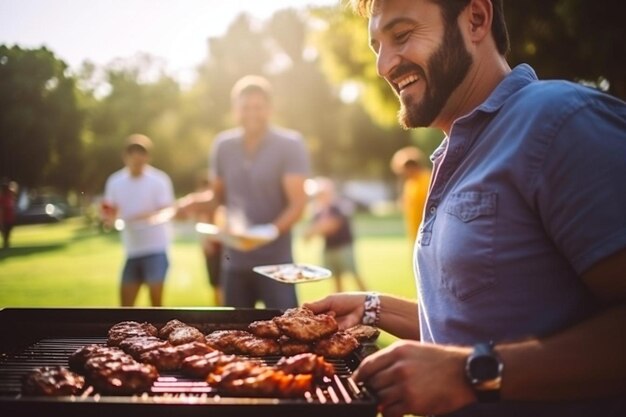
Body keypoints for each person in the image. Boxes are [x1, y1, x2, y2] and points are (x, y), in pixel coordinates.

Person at [306, 1, 626, 417]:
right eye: (376, 46)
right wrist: (374, 307)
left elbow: (470, 361)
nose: (384, 65)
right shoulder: (454, 155)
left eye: (401, 36)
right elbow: (479, 323)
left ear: (476, 19)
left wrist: (470, 375)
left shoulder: (562, 121)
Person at [182, 75, 310, 309]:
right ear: (235, 110)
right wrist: (188, 204)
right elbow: (216, 198)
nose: (252, 113)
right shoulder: (223, 145)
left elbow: (298, 204)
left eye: (258, 107)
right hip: (235, 263)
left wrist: (269, 230)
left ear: (270, 109)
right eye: (245, 107)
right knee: (234, 337)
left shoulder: (290, 144)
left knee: (287, 336)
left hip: (277, 264)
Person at [102, 134, 175, 307]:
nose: (137, 162)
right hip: (132, 251)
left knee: (156, 305)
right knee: (125, 307)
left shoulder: (159, 179)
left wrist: (145, 217)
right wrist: (109, 219)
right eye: (133, 158)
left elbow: (168, 210)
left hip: (156, 249)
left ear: (147, 157)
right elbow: (109, 212)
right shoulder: (115, 181)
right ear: (125, 157)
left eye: (141, 157)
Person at [303, 177, 367, 292]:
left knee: (354, 274)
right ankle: (340, 305)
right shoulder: (318, 212)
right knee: (336, 279)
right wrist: (314, 230)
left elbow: (332, 226)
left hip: (343, 247)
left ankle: (371, 299)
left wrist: (315, 230)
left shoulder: (338, 207)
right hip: (329, 248)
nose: (319, 197)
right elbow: (308, 234)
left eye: (322, 193)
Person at [390, 146, 430, 242]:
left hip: (428, 233)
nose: (403, 173)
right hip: (415, 233)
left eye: (404, 170)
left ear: (411, 167)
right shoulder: (410, 184)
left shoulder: (428, 179)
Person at [196, 174, 224, 306]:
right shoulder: (205, 204)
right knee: (216, 286)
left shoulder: (220, 202)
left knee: (222, 286)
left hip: (223, 247)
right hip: (213, 247)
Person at [0, 180, 18, 249]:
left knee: (6, 233)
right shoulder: (5, 198)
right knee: (6, 233)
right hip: (6, 219)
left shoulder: (9, 197)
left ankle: (6, 244)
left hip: (8, 218)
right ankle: (6, 244)